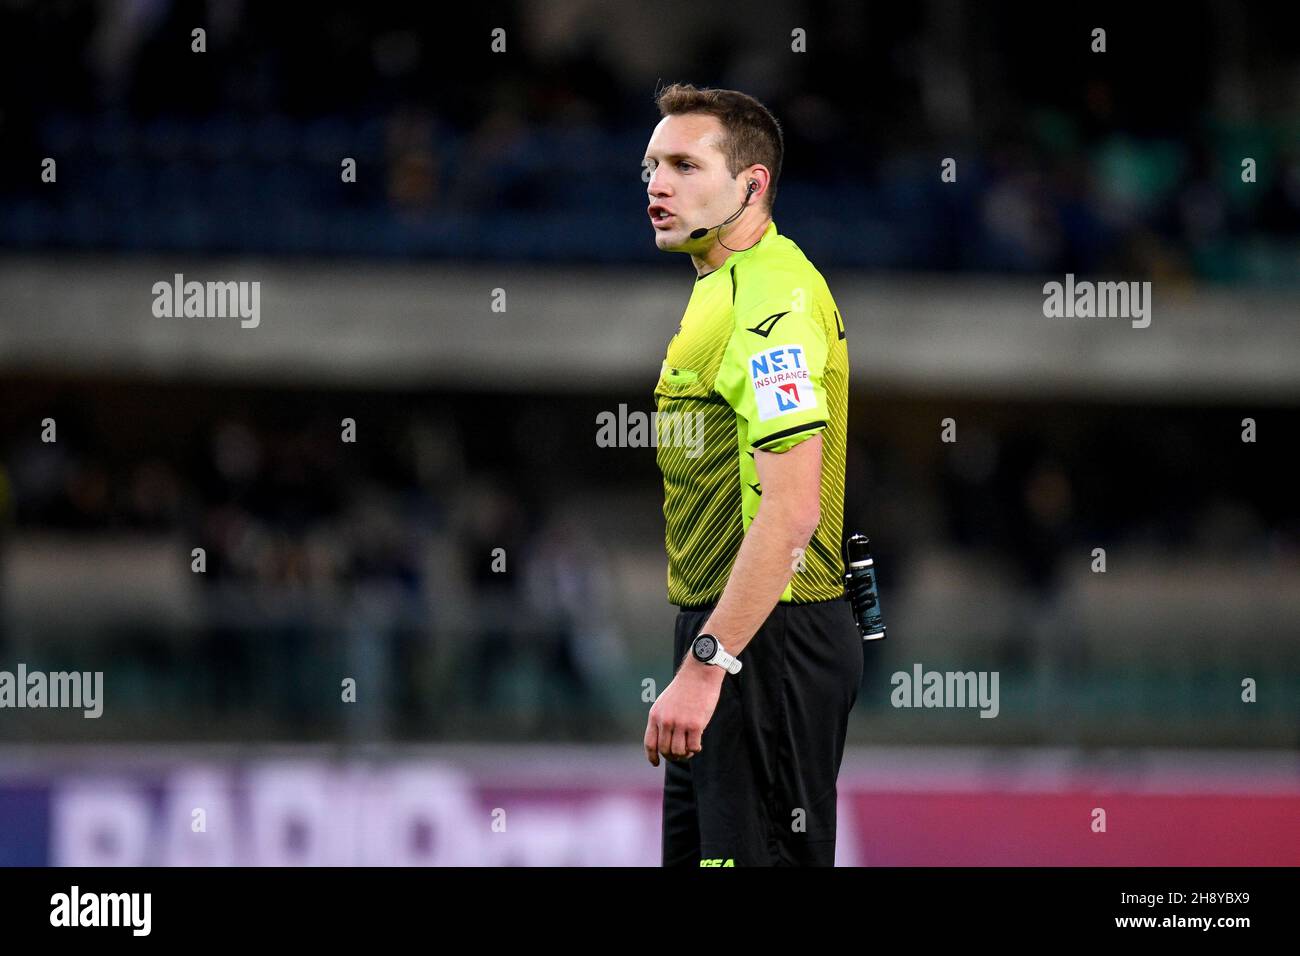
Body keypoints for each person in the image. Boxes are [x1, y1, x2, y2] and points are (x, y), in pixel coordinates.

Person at [641, 83, 862, 866]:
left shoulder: (771, 302)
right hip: (727, 637)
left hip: (765, 642)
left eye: (684, 165)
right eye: (650, 169)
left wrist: (708, 666)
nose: (658, 186)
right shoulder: (720, 288)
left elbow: (791, 512)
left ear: (752, 184)